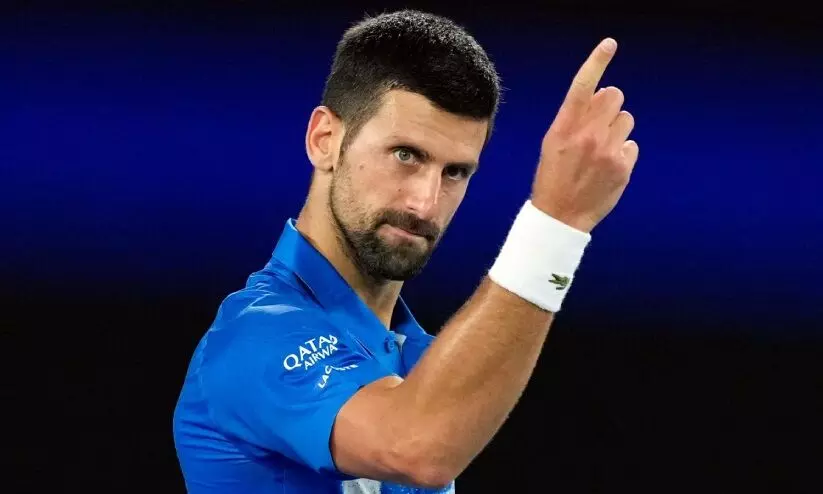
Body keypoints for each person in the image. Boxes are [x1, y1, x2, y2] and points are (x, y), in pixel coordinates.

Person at [172, 9, 638, 494]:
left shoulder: (423, 363)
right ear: (324, 140)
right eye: (406, 155)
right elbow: (417, 447)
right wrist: (555, 223)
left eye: (455, 172)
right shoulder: (253, 335)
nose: (425, 203)